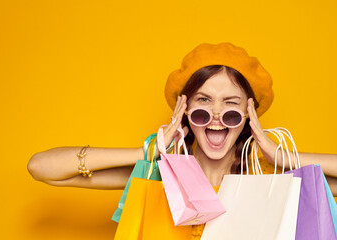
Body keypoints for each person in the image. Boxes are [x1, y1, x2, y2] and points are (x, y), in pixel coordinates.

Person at [27, 43, 337, 237]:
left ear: (248, 113)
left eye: (230, 104)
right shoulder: (159, 176)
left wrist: (285, 158)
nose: (216, 114)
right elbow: (41, 167)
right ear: (184, 109)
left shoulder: (271, 181)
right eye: (204, 101)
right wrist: (145, 151)